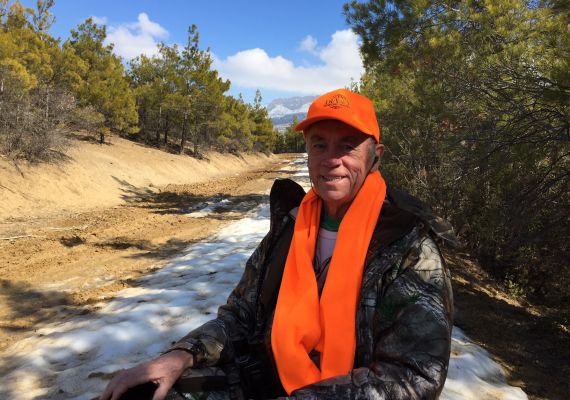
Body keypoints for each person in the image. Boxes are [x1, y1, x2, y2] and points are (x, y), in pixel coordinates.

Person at [100, 88, 454, 400]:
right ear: (307, 152)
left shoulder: (406, 245)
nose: (332, 159)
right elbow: (240, 315)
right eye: (320, 145)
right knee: (142, 392)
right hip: (270, 379)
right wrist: (180, 355)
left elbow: (414, 377)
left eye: (347, 146)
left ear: (375, 156)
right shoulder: (292, 225)